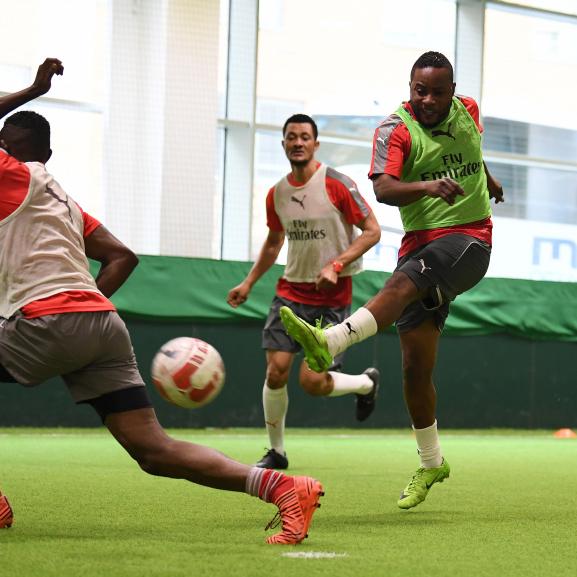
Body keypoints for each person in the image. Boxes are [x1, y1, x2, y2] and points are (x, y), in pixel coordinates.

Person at [0, 59, 323, 544]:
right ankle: (282, 487)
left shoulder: (8, 175)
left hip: (47, 319)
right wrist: (80, 305)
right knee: (153, 450)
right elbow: (122, 257)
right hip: (101, 324)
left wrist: (33, 88)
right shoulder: (61, 199)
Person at [279, 52, 504, 508]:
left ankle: (333, 342)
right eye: (419, 90)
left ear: (453, 91)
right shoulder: (394, 130)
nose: (427, 100)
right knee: (414, 369)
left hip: (471, 239)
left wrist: (489, 178)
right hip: (421, 242)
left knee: (403, 285)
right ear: (409, 86)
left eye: (438, 92)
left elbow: (471, 155)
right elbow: (383, 188)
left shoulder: (470, 111)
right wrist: (427, 187)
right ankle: (431, 462)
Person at [227, 114, 382, 470]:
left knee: (313, 381)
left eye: (305, 137)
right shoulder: (277, 194)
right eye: (291, 137)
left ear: (315, 144)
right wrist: (248, 282)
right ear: (283, 144)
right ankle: (276, 452)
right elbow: (274, 241)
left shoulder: (337, 184)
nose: (298, 142)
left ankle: (365, 384)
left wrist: (336, 265)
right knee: (276, 372)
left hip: (332, 297)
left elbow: (372, 231)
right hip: (290, 294)